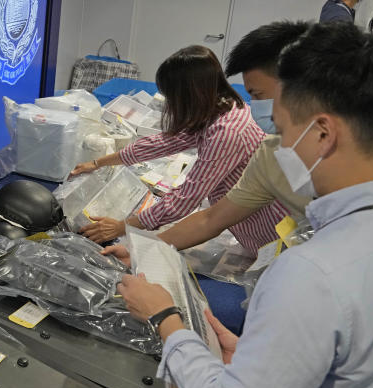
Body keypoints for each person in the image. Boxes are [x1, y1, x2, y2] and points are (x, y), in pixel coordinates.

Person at [115, 22, 373, 388]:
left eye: (280, 128)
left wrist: (166, 320)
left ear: (322, 133)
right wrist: (263, 359)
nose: (275, 142)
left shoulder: (315, 272)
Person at [157, 20, 373, 252]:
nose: (255, 106)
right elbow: (211, 219)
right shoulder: (272, 154)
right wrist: (148, 248)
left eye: (258, 95)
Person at [69, 45, 286, 255]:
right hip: (246, 222)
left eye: (172, 97)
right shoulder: (221, 108)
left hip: (267, 233)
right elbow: (164, 142)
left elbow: (185, 201)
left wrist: (122, 226)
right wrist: (98, 163)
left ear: (190, 94)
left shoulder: (227, 131)